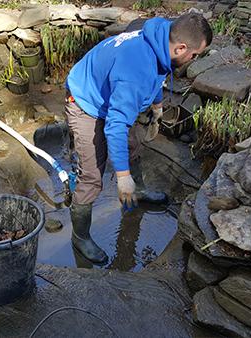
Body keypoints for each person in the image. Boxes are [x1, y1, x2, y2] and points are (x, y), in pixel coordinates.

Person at [64, 13, 212, 264]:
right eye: (195, 55)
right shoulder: (134, 72)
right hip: (85, 101)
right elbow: (115, 126)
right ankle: (80, 236)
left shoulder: (163, 37)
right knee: (91, 176)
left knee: (132, 144)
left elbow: (159, 71)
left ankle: (139, 191)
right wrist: (122, 179)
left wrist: (156, 107)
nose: (194, 59)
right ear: (181, 47)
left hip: (114, 90)